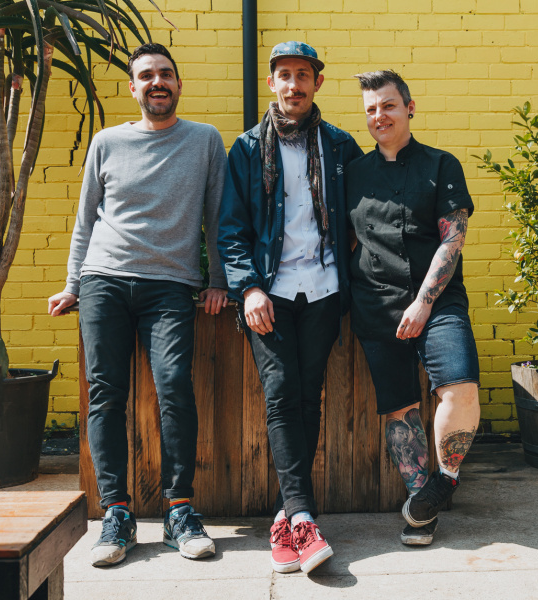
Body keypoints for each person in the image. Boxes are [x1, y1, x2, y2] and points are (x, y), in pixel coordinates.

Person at [47, 43, 227, 567]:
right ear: (133, 88)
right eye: (146, 75)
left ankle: (179, 511)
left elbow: (216, 217)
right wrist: (73, 284)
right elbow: (86, 218)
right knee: (106, 393)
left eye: (165, 74)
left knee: (174, 386)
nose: (157, 82)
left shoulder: (205, 140)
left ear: (178, 84)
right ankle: (117, 513)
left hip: (170, 284)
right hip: (104, 279)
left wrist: (218, 281)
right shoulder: (107, 142)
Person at [217, 41, 363, 575]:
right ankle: (303, 515)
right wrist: (248, 288)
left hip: (323, 289)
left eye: (303, 75)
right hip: (270, 293)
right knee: (281, 395)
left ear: (317, 83)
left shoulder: (341, 146)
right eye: (284, 75)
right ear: (272, 83)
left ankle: (286, 520)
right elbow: (231, 229)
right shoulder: (246, 149)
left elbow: (363, 217)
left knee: (307, 397)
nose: (293, 85)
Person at [346, 70, 481, 546]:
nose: (379, 116)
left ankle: (445, 482)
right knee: (400, 409)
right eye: (371, 109)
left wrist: (424, 303)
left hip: (438, 302)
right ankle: (421, 510)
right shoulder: (354, 174)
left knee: (460, 388)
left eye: (388, 105)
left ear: (409, 107)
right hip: (375, 305)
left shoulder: (441, 165)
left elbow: (453, 240)